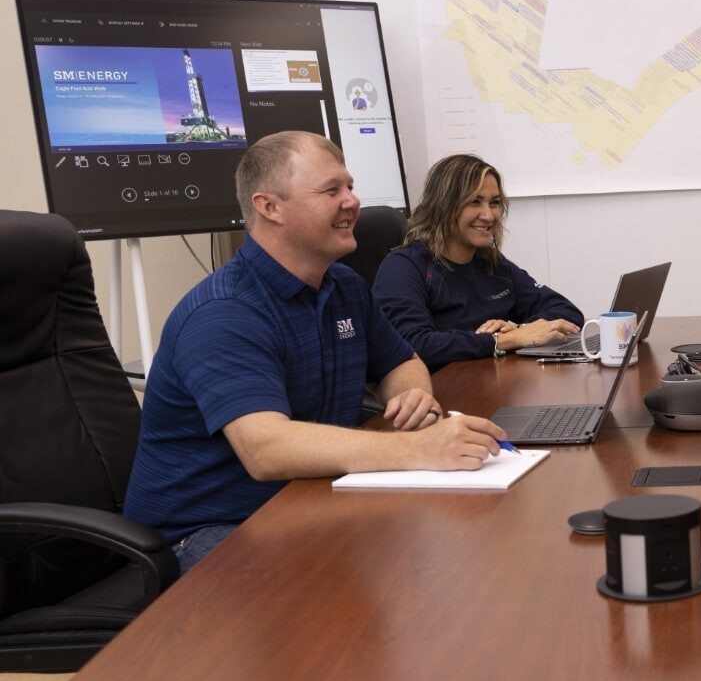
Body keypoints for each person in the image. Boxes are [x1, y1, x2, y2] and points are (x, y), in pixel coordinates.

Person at [124, 131, 508, 572]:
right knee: (342, 589)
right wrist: (420, 447)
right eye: (331, 191)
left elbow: (402, 361)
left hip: (307, 496)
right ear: (269, 207)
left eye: (350, 187)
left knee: (447, 553)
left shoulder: (344, 285)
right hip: (205, 529)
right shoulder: (224, 312)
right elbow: (266, 449)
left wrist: (413, 395)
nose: (352, 202)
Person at [374, 154, 583, 371]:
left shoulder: (492, 262)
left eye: (494, 203)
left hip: (493, 382)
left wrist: (520, 330)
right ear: (443, 206)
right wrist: (502, 341)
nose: (488, 216)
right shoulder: (403, 267)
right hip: (438, 387)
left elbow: (567, 312)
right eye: (474, 202)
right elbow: (414, 344)